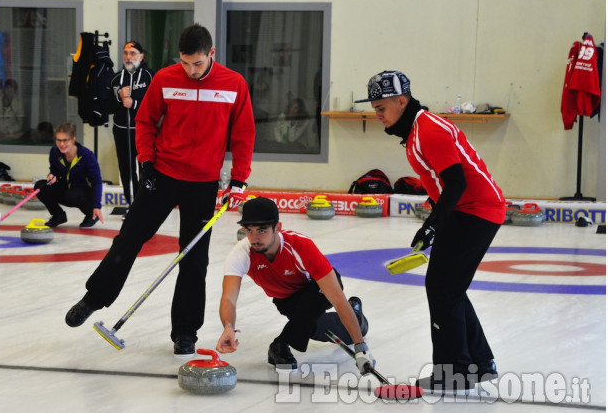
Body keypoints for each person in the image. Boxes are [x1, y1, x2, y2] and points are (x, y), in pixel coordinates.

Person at [64, 24, 256, 358]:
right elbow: (146, 121)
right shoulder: (166, 79)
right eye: (184, 63)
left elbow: (243, 134)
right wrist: (147, 164)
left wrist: (239, 180)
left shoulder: (233, 84)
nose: (191, 71)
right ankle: (94, 298)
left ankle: (185, 332)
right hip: (163, 175)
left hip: (203, 182)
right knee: (128, 239)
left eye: (197, 64)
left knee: (193, 258)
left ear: (211, 54)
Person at [355, 71, 506, 391]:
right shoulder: (416, 131)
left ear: (402, 101)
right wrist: (435, 216)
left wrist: (433, 224)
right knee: (448, 286)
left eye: (381, 107)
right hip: (466, 211)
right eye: (374, 108)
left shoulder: (428, 130)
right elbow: (445, 183)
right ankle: (479, 363)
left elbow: (457, 182)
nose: (377, 115)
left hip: (477, 211)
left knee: (442, 287)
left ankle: (455, 371)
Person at [215, 196, 374, 374]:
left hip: (316, 288)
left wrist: (361, 347)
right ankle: (357, 318)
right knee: (311, 327)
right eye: (249, 230)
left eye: (262, 230)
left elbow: (337, 298)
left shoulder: (300, 246)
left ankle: (279, 344)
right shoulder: (241, 253)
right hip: (287, 299)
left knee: (306, 315)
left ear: (278, 228)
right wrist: (228, 327)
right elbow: (229, 297)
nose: (255, 238)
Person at [104, 41, 154, 209]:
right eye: (125, 53)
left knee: (145, 170)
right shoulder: (116, 78)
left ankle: (146, 206)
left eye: (132, 53)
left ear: (141, 56)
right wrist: (118, 97)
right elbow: (107, 107)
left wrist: (133, 103)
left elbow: (156, 106)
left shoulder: (150, 77)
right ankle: (133, 206)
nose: (128, 57)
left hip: (144, 133)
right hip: (121, 131)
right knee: (126, 170)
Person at [35, 122, 104, 228]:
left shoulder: (86, 156)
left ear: (73, 139)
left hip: (84, 192)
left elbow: (97, 181)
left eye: (65, 140)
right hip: (67, 189)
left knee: (73, 194)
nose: (61, 144)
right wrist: (52, 175)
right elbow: (54, 170)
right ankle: (58, 215)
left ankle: (92, 215)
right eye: (58, 140)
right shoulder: (55, 152)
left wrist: (97, 205)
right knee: (40, 186)